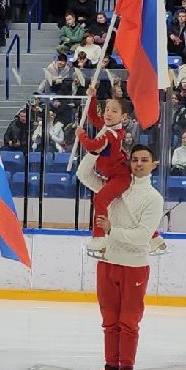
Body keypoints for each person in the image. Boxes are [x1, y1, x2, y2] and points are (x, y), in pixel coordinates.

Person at [91, 145, 164, 370]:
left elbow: (143, 236)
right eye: (134, 160)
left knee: (129, 322)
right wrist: (94, 148)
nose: (139, 164)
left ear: (154, 164)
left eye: (145, 160)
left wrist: (111, 230)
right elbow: (84, 174)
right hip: (108, 262)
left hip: (134, 265)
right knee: (109, 320)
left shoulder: (154, 199)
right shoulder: (116, 186)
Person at [77, 95, 133, 252]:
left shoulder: (111, 134)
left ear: (123, 117)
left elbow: (92, 146)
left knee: (100, 199)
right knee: (120, 207)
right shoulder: (108, 127)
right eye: (107, 109)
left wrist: (81, 134)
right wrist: (93, 97)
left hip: (120, 177)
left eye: (114, 111)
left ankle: (99, 236)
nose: (108, 113)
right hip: (112, 177)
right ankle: (154, 238)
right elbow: (94, 117)